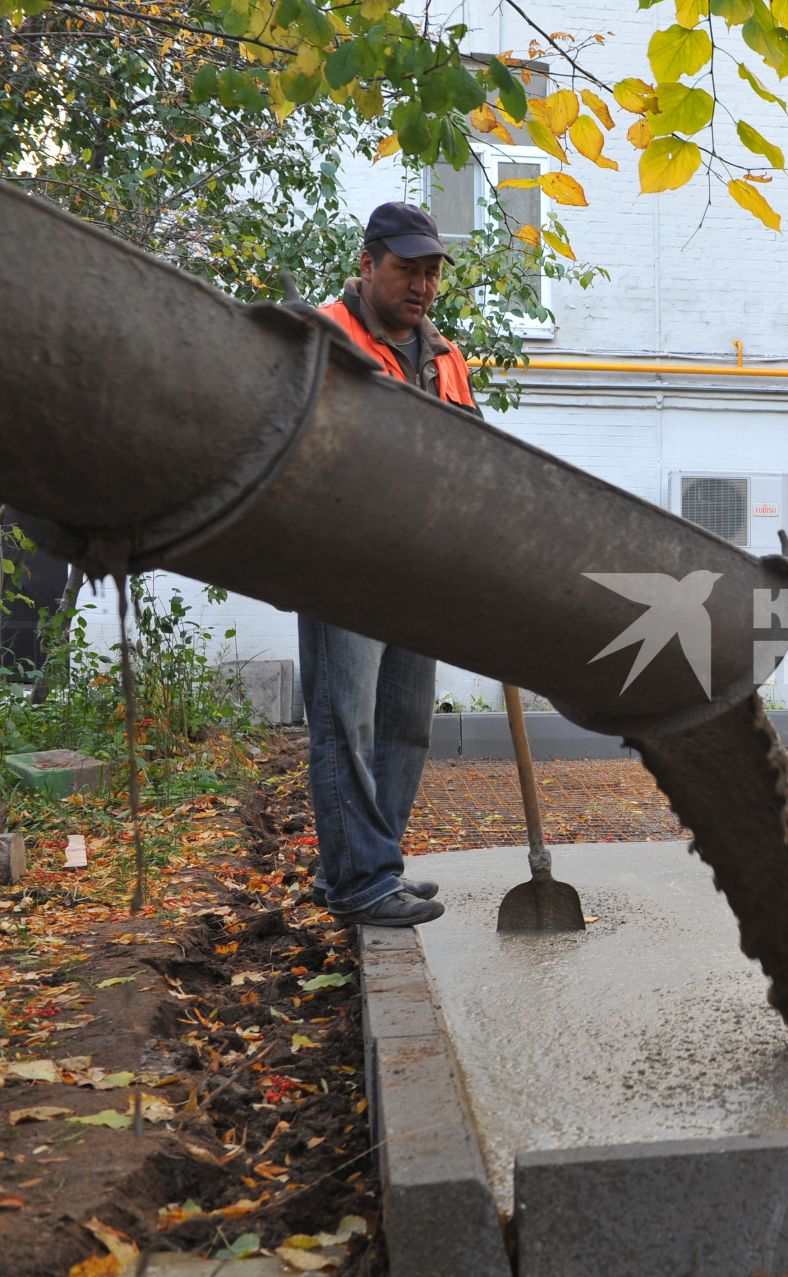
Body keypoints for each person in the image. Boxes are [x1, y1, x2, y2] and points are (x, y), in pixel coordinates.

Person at [303, 202, 480, 927]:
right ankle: (361, 881)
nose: (422, 285)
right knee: (346, 723)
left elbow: (473, 455)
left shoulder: (443, 355)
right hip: (345, 564)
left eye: (432, 271)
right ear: (368, 263)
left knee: (407, 724)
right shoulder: (323, 337)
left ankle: (373, 865)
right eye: (408, 268)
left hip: (422, 568)